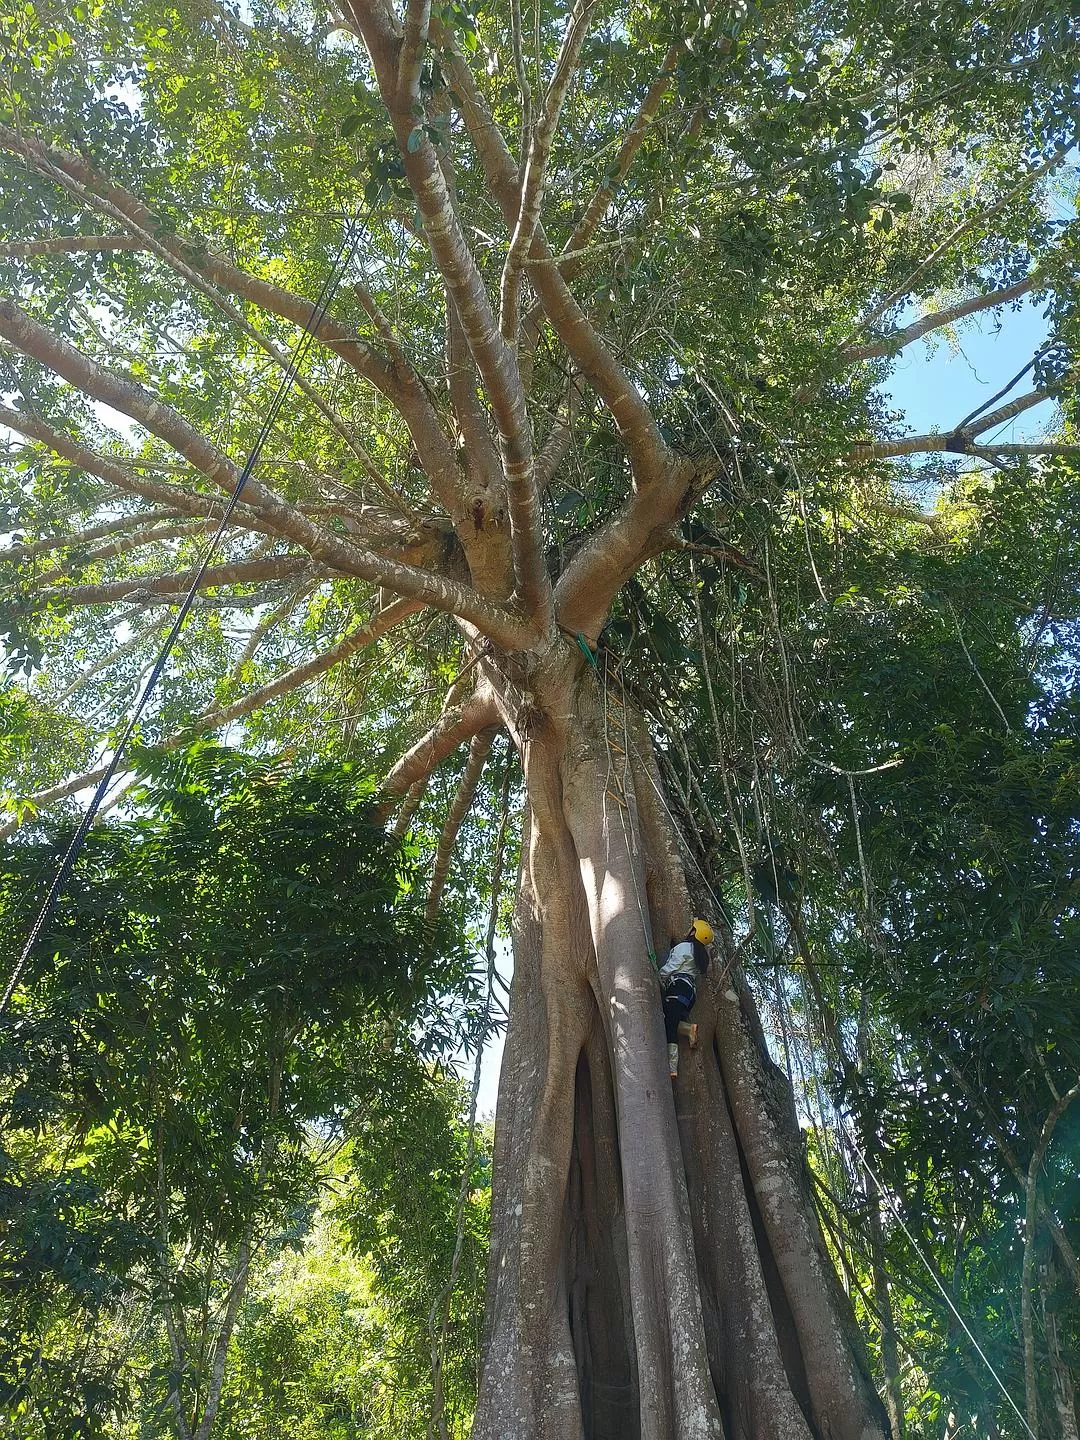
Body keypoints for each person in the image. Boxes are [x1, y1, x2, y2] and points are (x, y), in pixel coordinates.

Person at [658, 919, 713, 1078]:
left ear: (694, 932)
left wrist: (658, 975)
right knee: (671, 1020)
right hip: (689, 994)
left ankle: (672, 1066)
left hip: (677, 987)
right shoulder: (700, 955)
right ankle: (689, 1029)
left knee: (669, 1025)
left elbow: (672, 966)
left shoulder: (684, 947)